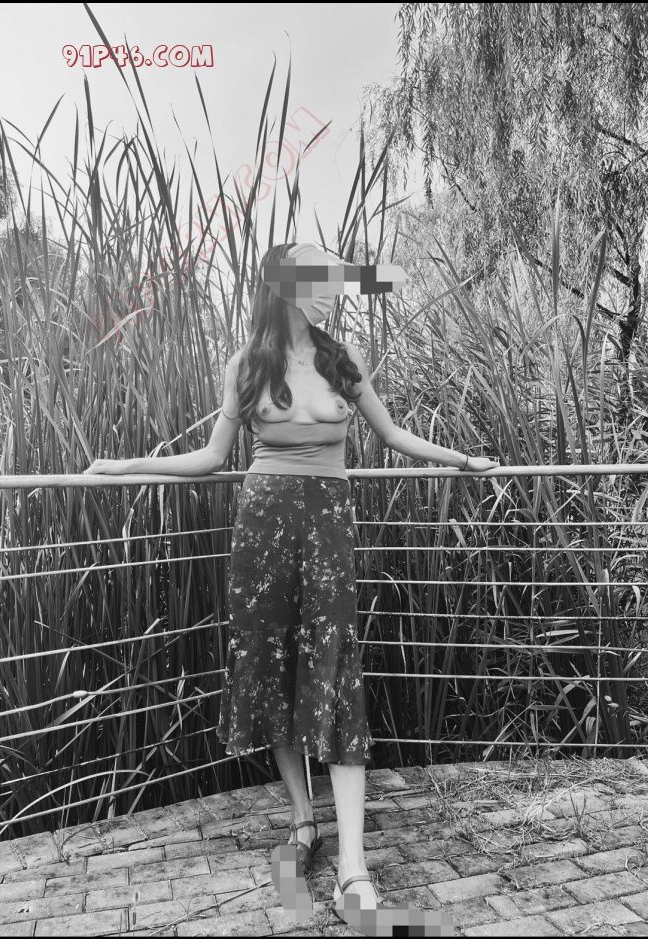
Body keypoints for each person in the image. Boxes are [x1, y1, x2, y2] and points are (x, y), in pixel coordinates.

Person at [85, 242, 499, 936]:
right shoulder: (248, 364)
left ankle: (354, 871)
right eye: (320, 277)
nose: (334, 288)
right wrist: (128, 465)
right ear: (285, 287)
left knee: (335, 670)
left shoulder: (343, 360)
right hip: (263, 528)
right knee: (270, 665)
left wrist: (462, 460)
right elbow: (213, 456)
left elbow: (393, 435)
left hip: (328, 528)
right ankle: (303, 820)